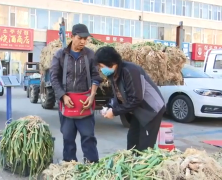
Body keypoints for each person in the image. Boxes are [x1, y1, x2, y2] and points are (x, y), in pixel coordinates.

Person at [94, 46, 166, 151]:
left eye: (101, 66)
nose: (101, 69)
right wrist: (109, 107)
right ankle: (132, 162)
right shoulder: (113, 74)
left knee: (144, 145)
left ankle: (142, 164)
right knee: (133, 140)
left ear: (111, 63)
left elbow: (136, 98)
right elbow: (118, 95)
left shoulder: (130, 71)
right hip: (138, 110)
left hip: (151, 110)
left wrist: (114, 112)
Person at [50, 24, 102, 163]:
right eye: (80, 38)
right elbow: (54, 77)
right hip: (67, 103)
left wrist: (92, 95)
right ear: (72, 36)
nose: (83, 42)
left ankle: (92, 167)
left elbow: (96, 77)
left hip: (85, 103)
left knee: (88, 137)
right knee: (68, 138)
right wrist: (63, 95)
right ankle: (69, 166)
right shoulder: (60, 55)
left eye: (85, 39)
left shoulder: (90, 55)